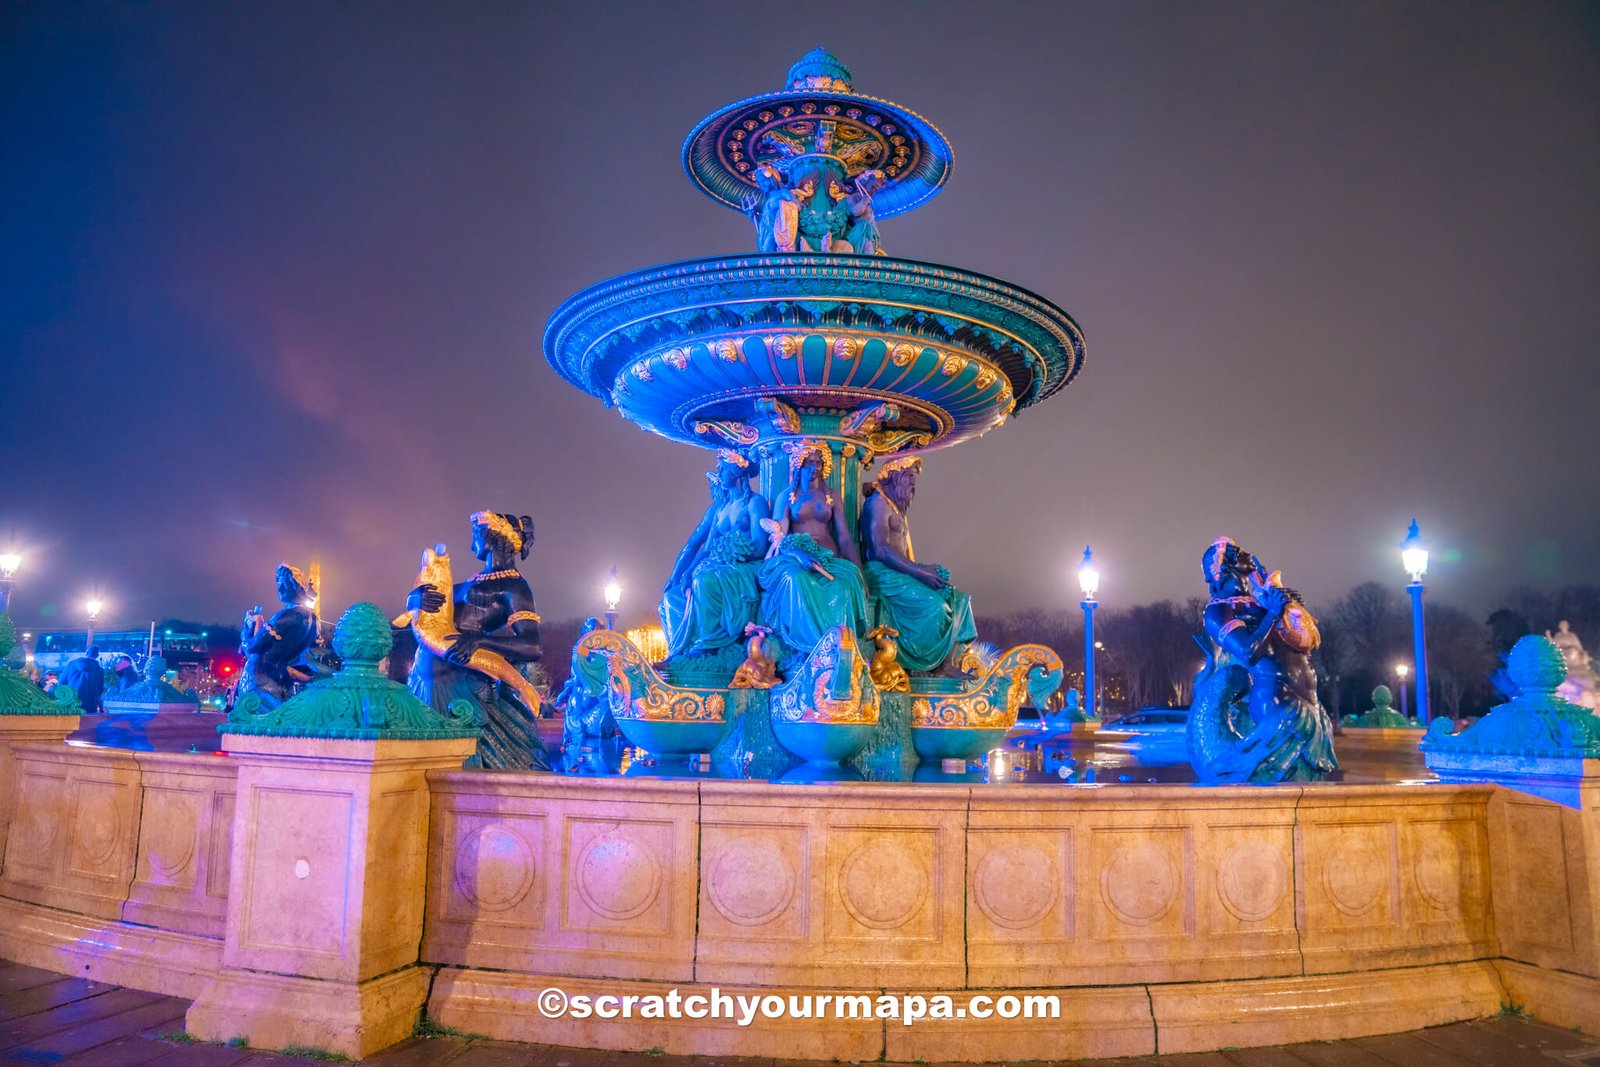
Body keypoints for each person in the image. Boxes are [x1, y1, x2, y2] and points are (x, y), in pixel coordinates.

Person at [408, 511, 550, 770]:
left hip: (461, 687)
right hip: (424, 678)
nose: (471, 546)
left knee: (457, 768)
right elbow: (432, 612)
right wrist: (414, 599)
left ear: (490, 536)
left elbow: (532, 646)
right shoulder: (469, 582)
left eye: (475, 536)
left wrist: (478, 641)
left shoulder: (516, 587)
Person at [1193, 538, 1336, 782]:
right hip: (1279, 704)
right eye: (1237, 551)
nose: (1246, 553)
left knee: (1312, 786)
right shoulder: (1218, 611)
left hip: (1313, 707)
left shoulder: (1261, 600)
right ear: (1223, 566)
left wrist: (1287, 608)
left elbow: (1305, 640)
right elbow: (1249, 651)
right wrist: (1272, 613)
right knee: (1281, 784)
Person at [859, 456, 976, 673]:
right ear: (895, 477)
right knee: (935, 606)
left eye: (914, 478)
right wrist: (920, 572)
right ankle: (923, 661)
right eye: (909, 477)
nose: (913, 483)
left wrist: (925, 570)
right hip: (882, 573)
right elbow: (879, 550)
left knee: (958, 598)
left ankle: (946, 664)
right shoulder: (878, 503)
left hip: (899, 572)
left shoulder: (895, 508)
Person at [757, 439, 869, 657]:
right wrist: (798, 554)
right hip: (794, 557)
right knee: (796, 579)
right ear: (799, 465)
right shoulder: (787, 497)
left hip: (829, 559)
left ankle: (838, 648)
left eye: (818, 463)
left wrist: (860, 572)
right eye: (808, 463)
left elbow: (845, 537)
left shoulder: (831, 496)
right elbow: (780, 537)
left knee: (844, 586)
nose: (814, 468)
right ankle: (807, 648)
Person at [659, 450, 772, 658]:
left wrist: (732, 554)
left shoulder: (755, 503)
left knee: (705, 581)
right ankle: (680, 651)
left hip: (748, 564)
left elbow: (760, 547)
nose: (719, 474)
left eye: (723, 469)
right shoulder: (721, 509)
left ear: (736, 471)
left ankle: (709, 644)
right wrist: (685, 573)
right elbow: (708, 548)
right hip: (723, 564)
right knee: (672, 597)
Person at [237, 563, 320, 711]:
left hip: (259, 680)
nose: (279, 589)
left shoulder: (285, 616)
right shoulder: (314, 621)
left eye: (283, 584)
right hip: (282, 682)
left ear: (296, 588)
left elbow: (253, 648)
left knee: (256, 716)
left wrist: (249, 626)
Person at [60, 645, 105, 713]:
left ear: (86, 653)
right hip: (89, 704)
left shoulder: (72, 664)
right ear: (97, 655)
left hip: (72, 701)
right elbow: (98, 690)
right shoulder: (98, 670)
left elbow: (62, 682)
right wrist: (100, 706)